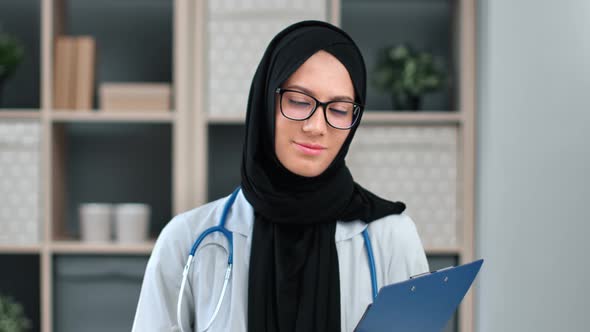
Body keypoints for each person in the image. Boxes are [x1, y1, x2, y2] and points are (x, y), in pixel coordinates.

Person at [132, 20, 428, 332]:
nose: (316, 126)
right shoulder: (186, 239)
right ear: (265, 102)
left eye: (339, 110)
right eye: (299, 102)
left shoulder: (392, 237)